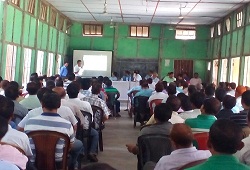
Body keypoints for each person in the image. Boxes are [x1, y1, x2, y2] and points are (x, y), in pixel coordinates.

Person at [24, 91, 83, 169]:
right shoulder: (66, 125)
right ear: (59, 105)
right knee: (74, 153)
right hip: (58, 164)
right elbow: (70, 145)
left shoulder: (29, 122)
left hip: (33, 164)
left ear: (42, 104)